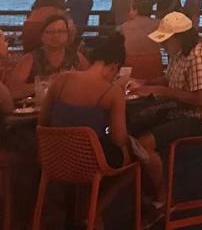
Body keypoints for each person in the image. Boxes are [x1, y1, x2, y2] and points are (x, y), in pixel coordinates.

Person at [133, 12, 202, 205]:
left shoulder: (199, 56)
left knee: (143, 143)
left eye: (165, 40)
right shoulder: (180, 52)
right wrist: (144, 82)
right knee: (135, 130)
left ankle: (161, 198)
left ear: (179, 38)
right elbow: (169, 79)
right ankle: (151, 188)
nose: (162, 45)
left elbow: (200, 100)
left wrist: (160, 90)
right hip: (183, 112)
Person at [39, 33, 132, 227]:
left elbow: (43, 122)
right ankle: (93, 212)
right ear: (114, 67)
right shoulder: (112, 92)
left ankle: (81, 211)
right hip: (89, 162)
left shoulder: (61, 79)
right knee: (131, 161)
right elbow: (118, 138)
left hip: (53, 157)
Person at [9, 14, 89, 99]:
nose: (55, 36)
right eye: (50, 32)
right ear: (42, 35)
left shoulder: (76, 57)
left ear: (68, 35)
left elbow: (90, 82)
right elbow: (13, 91)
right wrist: (45, 84)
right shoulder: (30, 59)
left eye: (60, 31)